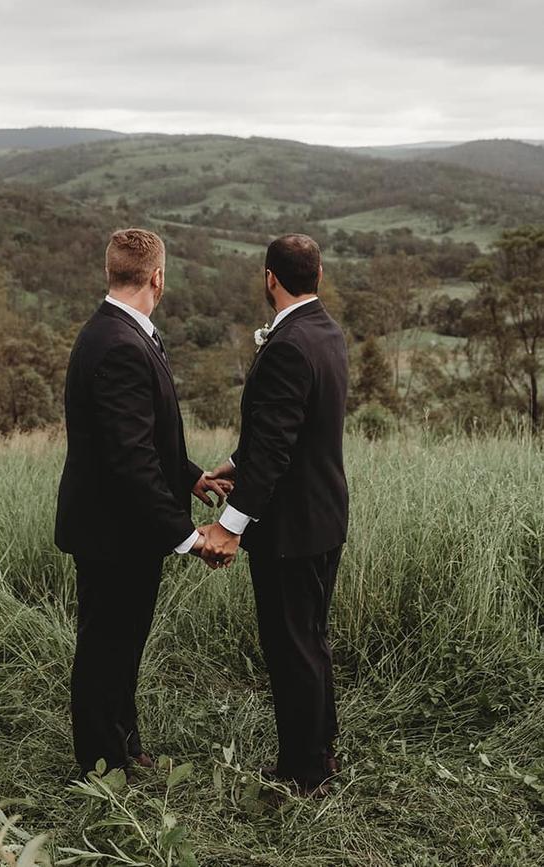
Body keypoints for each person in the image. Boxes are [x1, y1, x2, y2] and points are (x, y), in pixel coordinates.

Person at [54, 228, 229, 778]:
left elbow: (146, 438)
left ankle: (124, 746)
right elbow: (130, 459)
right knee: (107, 646)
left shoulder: (120, 333)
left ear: (111, 273)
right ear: (158, 277)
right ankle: (101, 763)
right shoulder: (120, 344)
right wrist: (187, 535)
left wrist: (193, 475)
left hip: (120, 529)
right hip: (114, 533)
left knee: (123, 643)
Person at [200, 233, 349, 797]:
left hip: (291, 528)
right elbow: (287, 430)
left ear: (270, 278)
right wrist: (235, 463)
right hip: (324, 515)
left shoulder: (287, 344)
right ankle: (320, 751)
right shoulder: (325, 331)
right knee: (309, 638)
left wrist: (228, 526)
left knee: (291, 646)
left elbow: (278, 449)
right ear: (317, 275)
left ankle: (304, 774)